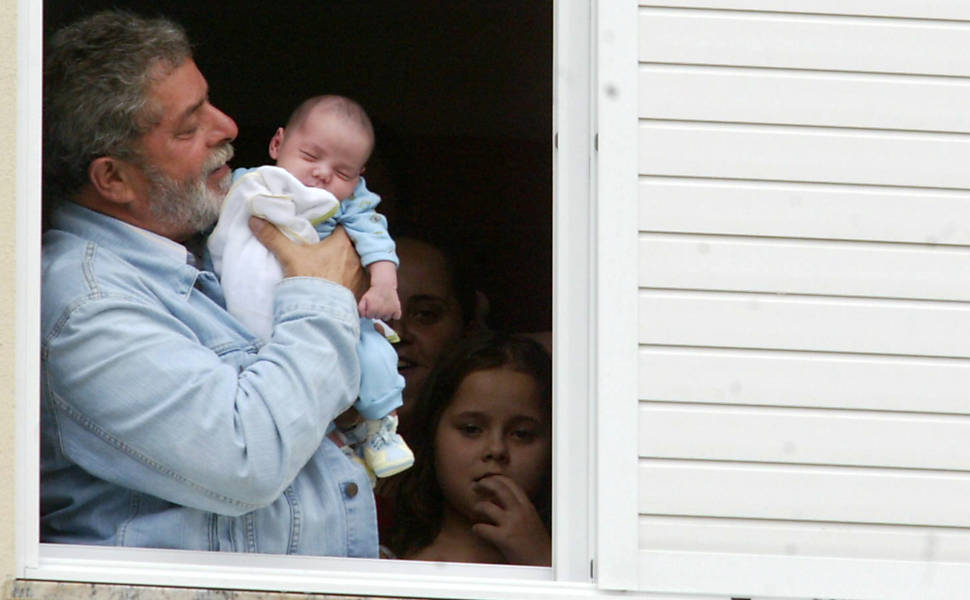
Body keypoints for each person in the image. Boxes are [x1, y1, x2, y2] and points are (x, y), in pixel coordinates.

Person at [40, 10, 378, 556]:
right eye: (190, 125)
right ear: (114, 178)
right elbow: (246, 456)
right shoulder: (85, 304)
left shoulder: (201, 242)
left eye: (209, 101)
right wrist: (325, 295)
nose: (228, 127)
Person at [207, 96, 412, 478]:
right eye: (310, 155)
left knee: (371, 354)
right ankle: (330, 445)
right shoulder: (247, 184)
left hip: (334, 309)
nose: (322, 174)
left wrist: (384, 284)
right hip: (247, 307)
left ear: (360, 175)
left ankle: (378, 427)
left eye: (343, 172)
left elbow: (376, 240)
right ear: (277, 144)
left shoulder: (351, 205)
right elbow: (217, 232)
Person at [389, 332, 552, 566]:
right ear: (433, 433)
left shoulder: (586, 559)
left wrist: (540, 561)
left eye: (521, 434)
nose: (496, 449)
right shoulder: (386, 565)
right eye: (472, 429)